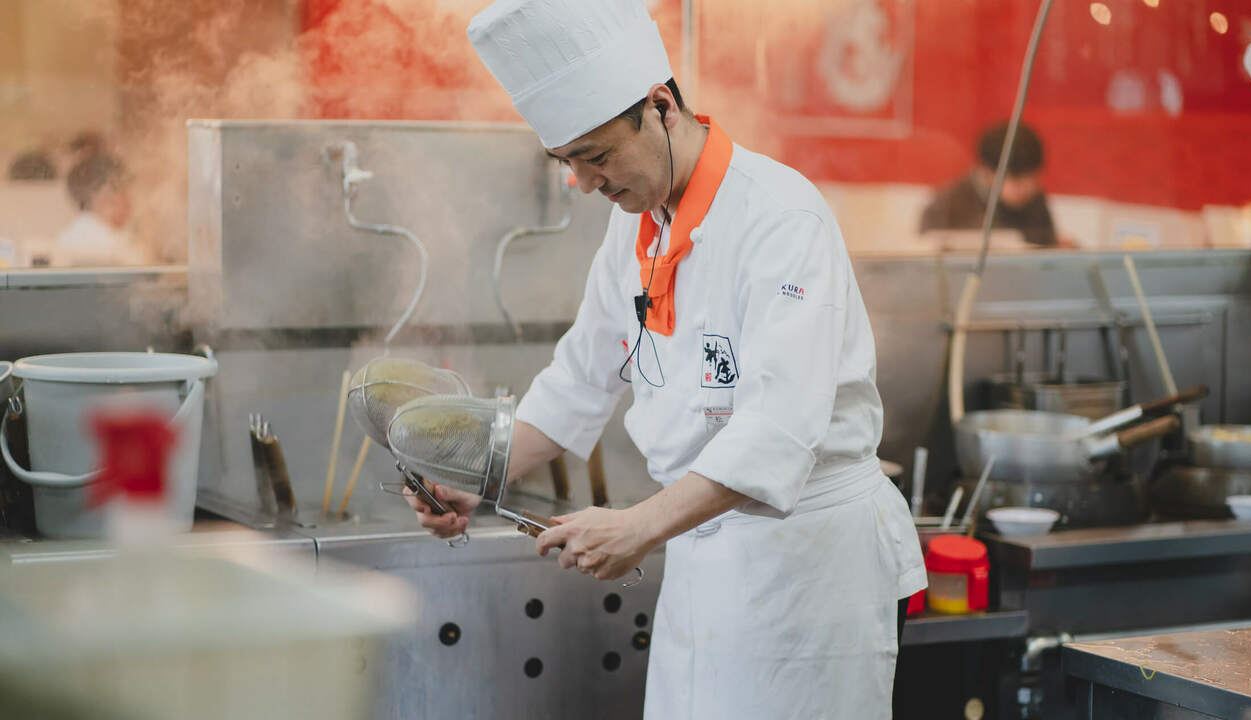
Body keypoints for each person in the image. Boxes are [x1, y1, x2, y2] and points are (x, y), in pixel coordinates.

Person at [403, 1, 925, 718]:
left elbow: (779, 426)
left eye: (597, 156)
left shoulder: (781, 218)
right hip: (705, 562)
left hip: (808, 572)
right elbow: (580, 377)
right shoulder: (638, 230)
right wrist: (480, 476)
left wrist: (639, 524)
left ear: (660, 108)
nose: (586, 184)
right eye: (568, 164)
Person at [920, 122, 1065, 248]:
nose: (1028, 188)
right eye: (1016, 180)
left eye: (1034, 177)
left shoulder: (1035, 200)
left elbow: (1044, 250)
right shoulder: (948, 205)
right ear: (986, 171)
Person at [55, 152, 147, 266]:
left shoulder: (76, 234)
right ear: (104, 196)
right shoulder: (100, 244)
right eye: (124, 190)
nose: (131, 199)